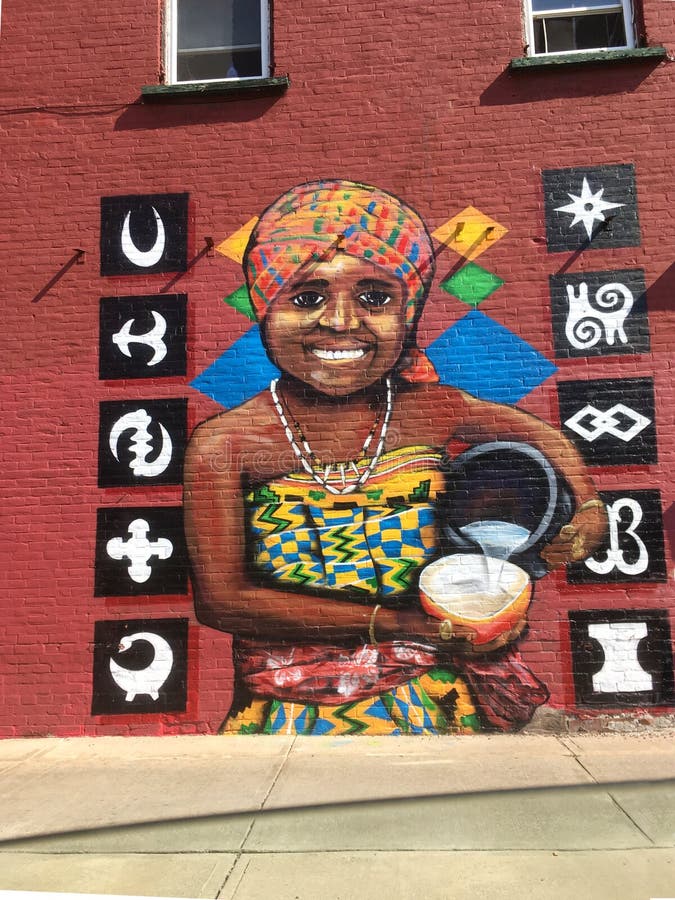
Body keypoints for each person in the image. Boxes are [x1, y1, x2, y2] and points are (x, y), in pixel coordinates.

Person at [184, 179, 607, 735]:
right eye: (306, 297)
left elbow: (543, 437)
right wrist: (404, 625)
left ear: (408, 313)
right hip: (289, 723)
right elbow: (223, 602)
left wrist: (592, 506)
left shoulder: (430, 410)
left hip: (446, 707)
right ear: (264, 308)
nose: (340, 321)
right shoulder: (225, 445)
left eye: (376, 298)